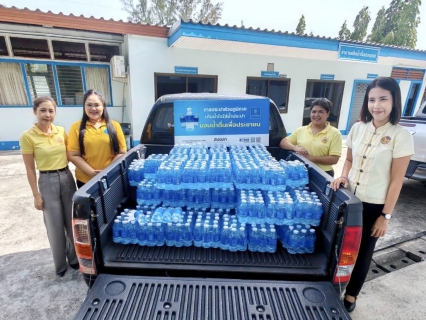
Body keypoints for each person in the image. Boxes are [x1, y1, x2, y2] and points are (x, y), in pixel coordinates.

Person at [330, 77, 414, 312]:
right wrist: (344, 176)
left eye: (383, 99)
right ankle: (333, 286)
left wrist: (385, 216)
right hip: (349, 200)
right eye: (372, 99)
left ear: (394, 101)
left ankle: (351, 295)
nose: (377, 105)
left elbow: (397, 180)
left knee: (363, 253)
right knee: (339, 247)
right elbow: (348, 159)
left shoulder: (400, 135)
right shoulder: (358, 128)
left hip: (375, 206)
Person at [20, 96, 78, 277]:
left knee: (72, 221)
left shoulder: (61, 131)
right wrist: (36, 195)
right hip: (47, 180)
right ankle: (60, 264)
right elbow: (30, 169)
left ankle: (74, 259)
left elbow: (71, 154)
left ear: (55, 112)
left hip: (67, 177)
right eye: (43, 110)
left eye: (51, 111)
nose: (47, 115)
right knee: (54, 225)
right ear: (35, 112)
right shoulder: (28, 136)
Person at [67, 89, 127, 188]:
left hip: (110, 177)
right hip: (85, 180)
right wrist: (92, 173)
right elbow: (73, 154)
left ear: (103, 106)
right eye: (89, 105)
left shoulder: (114, 126)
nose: (93, 108)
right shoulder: (76, 127)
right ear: (84, 106)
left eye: (97, 105)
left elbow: (122, 151)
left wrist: (107, 171)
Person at [279, 98, 342, 176]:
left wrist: (310, 158)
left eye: (321, 112)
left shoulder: (335, 133)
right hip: (301, 172)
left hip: (322, 175)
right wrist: (295, 148)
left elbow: (334, 159)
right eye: (314, 112)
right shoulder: (301, 130)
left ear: (328, 114)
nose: (316, 115)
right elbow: (283, 142)